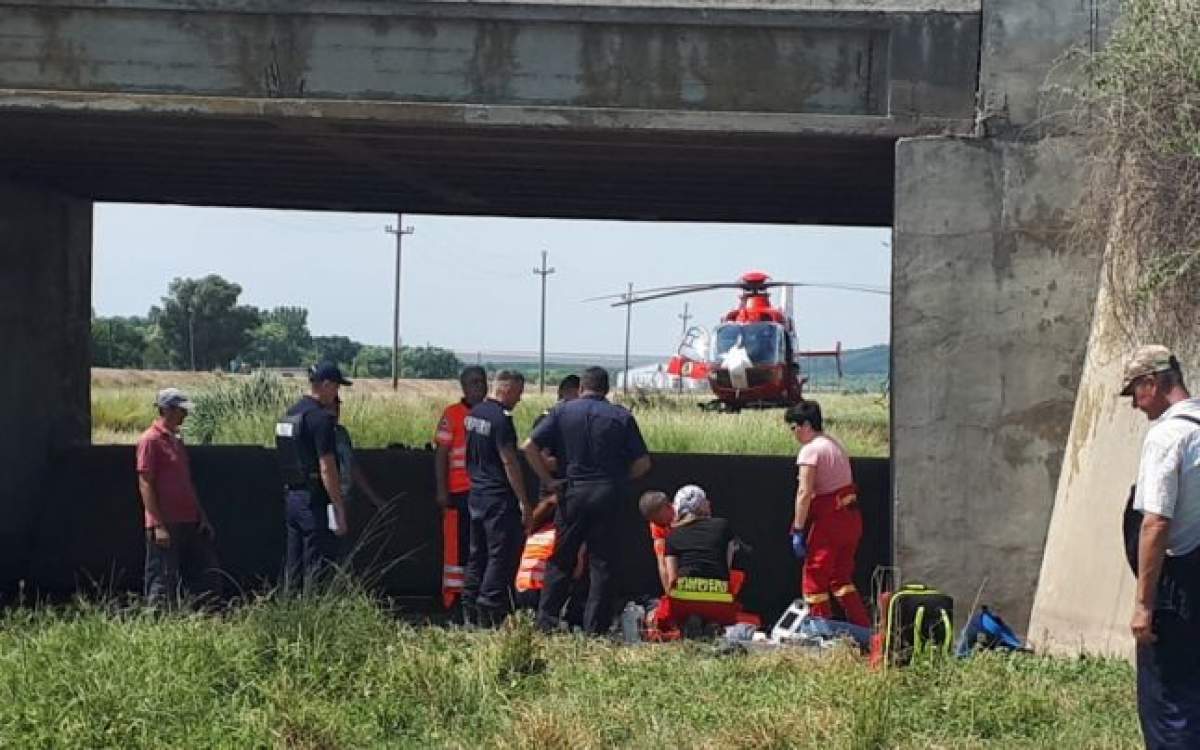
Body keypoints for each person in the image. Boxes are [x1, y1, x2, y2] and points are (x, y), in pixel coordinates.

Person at [525, 366, 652, 634]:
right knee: (602, 564)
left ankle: (545, 623)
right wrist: (619, 480)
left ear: (581, 388)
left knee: (561, 559)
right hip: (607, 493)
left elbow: (528, 446)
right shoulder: (621, 416)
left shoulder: (562, 412)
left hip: (572, 492)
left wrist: (548, 482)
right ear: (606, 390)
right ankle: (595, 629)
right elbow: (643, 463)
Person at [1121, 345, 1200, 748]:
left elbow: (1156, 523)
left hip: (1174, 593)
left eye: (1135, 390)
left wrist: (1143, 604)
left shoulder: (1167, 437)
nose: (1135, 403)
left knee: (1167, 704)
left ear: (1152, 383)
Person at [786, 400, 870, 627]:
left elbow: (804, 492)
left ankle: (821, 631)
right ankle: (863, 628)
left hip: (831, 523)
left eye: (793, 428)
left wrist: (798, 529)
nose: (793, 434)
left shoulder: (811, 450)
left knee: (814, 577)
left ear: (804, 425)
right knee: (840, 578)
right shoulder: (834, 445)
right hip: (851, 521)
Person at [136, 388, 220, 607]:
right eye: (181, 410)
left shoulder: (176, 440)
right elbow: (145, 482)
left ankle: (198, 613)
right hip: (167, 520)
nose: (185, 415)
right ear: (167, 410)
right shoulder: (151, 440)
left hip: (188, 518)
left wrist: (201, 516)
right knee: (162, 575)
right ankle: (157, 620)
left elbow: (186, 482)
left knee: (199, 571)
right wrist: (157, 524)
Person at [462, 370, 532, 626]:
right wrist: (524, 501)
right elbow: (509, 461)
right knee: (498, 555)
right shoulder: (501, 420)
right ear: (507, 389)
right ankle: (489, 609)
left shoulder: (474, 414)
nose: (520, 399)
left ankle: (469, 605)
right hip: (497, 497)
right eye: (519, 393)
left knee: (476, 553)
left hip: (476, 493)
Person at [276, 362, 351, 589]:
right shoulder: (320, 419)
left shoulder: (290, 414)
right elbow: (327, 467)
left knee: (294, 563)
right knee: (315, 564)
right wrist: (338, 507)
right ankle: (313, 615)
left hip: (292, 497)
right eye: (337, 388)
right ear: (326, 385)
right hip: (314, 500)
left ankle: (290, 610)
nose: (336, 394)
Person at [433, 365, 487, 612]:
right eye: (474, 382)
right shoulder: (452, 414)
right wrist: (442, 490)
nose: (479, 387)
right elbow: (441, 453)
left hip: (484, 492)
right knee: (459, 547)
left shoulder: (491, 414)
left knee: (480, 547)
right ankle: (455, 598)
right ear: (464, 387)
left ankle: (476, 594)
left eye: (482, 381)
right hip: (459, 492)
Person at [655, 485, 741, 633]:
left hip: (684, 595)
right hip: (719, 596)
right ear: (701, 505)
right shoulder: (722, 526)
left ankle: (689, 623)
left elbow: (672, 579)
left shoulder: (672, 536)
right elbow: (726, 566)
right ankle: (711, 623)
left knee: (680, 612)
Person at [514, 496, 587, 627]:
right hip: (541, 594)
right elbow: (577, 572)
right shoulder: (562, 537)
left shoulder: (535, 532)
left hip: (522, 591)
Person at [328, 397, 386, 510]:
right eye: (332, 408)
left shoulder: (342, 433)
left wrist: (373, 497)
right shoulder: (319, 433)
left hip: (345, 495)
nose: (336, 412)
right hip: (328, 498)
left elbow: (352, 466)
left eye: (337, 408)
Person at [639, 490, 675, 595]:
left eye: (659, 518)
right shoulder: (656, 526)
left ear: (668, 506)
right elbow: (662, 562)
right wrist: (669, 594)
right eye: (653, 521)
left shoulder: (685, 514)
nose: (658, 523)